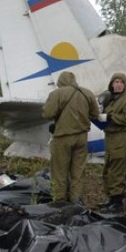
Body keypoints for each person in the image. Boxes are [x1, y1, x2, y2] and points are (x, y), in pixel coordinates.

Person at [42, 71, 99, 204]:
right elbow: (95, 114)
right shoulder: (87, 93)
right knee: (78, 171)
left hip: (62, 137)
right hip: (81, 137)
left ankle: (60, 201)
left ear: (60, 82)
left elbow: (47, 113)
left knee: (59, 171)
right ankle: (76, 200)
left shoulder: (57, 94)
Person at [99, 72, 126, 213]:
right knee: (108, 169)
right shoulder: (111, 98)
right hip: (110, 137)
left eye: (121, 82)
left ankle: (117, 202)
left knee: (117, 170)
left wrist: (110, 117)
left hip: (121, 137)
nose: (119, 84)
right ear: (112, 83)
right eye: (116, 82)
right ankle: (111, 199)